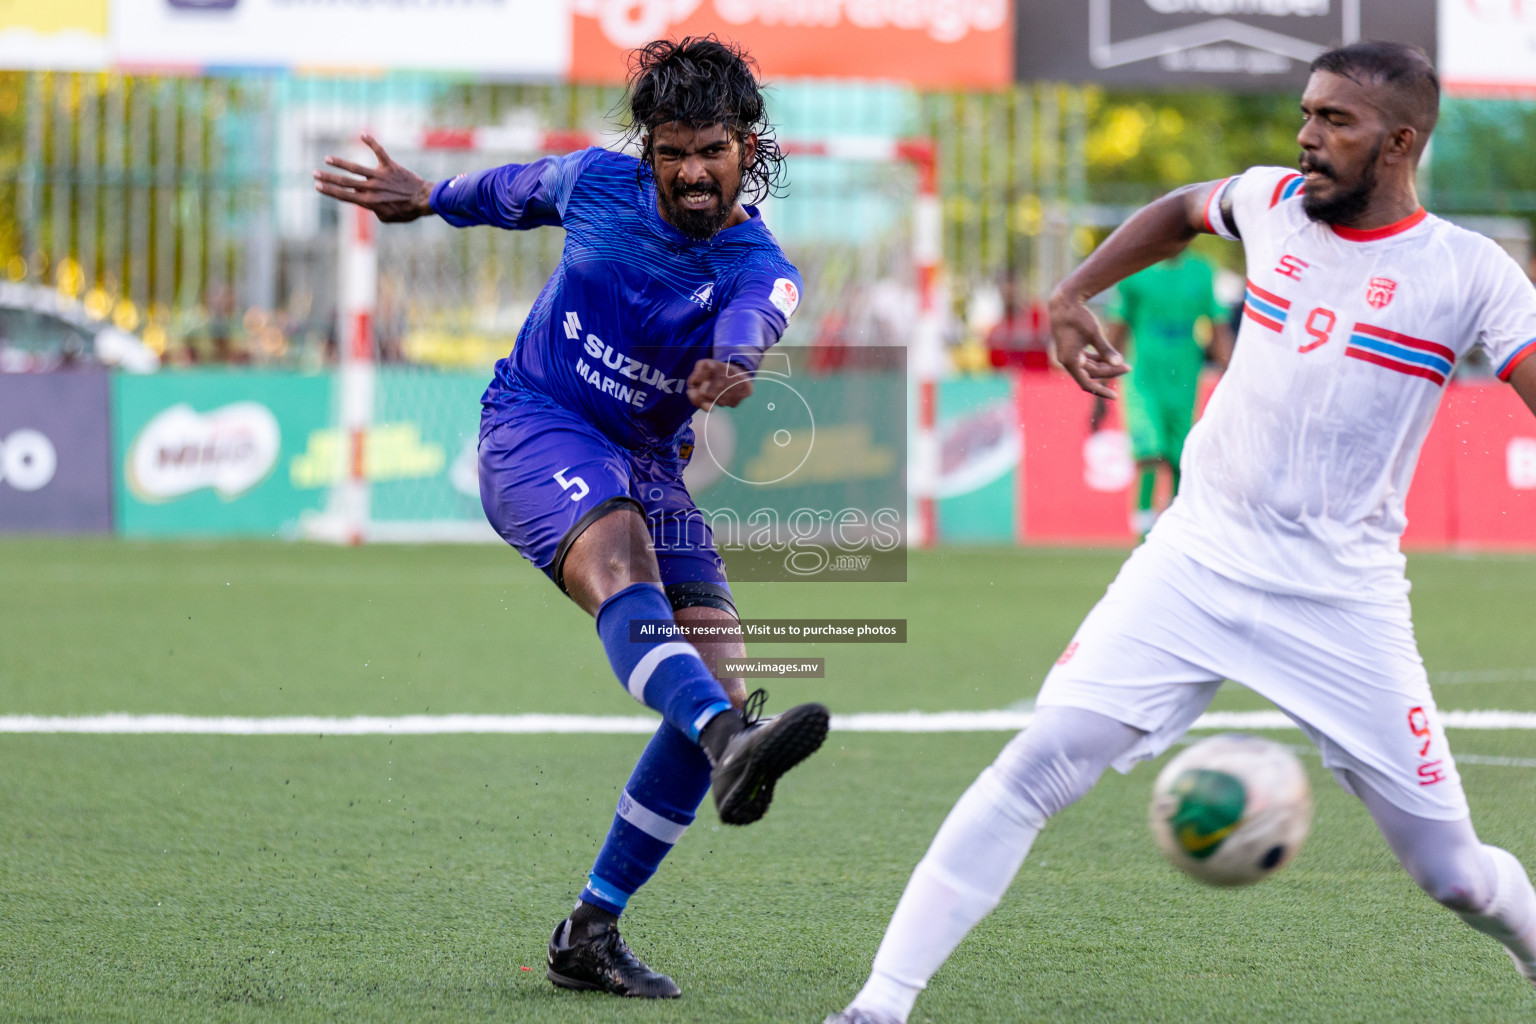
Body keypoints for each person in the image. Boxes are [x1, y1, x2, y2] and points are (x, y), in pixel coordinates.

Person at [826, 41, 1536, 1024]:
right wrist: (1074, 294)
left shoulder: (1469, 274)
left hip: (1343, 601)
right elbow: (1175, 214)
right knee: (1038, 762)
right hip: (1195, 560)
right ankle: (879, 1004)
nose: (1308, 136)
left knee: (1455, 874)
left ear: (1401, 140)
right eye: (1308, 113)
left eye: (1338, 121)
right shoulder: (1271, 200)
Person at [313, 36, 830, 1000]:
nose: (689, 172)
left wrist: (738, 364)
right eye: (670, 150)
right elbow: (511, 191)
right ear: (647, 149)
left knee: (715, 673)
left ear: (747, 148)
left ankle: (589, 931)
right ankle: (731, 745)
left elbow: (759, 316)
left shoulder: (760, 263)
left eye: (710, 149)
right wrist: (427, 196)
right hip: (537, 426)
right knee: (633, 576)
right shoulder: (596, 185)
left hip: (648, 462)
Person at [1102, 251, 1232, 535]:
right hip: (1143, 381)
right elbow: (1116, 332)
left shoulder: (1202, 272)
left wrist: (1235, 378)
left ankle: (1172, 535)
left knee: (1178, 459)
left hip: (1184, 383)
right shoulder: (1134, 271)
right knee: (1150, 452)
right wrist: (1099, 390)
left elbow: (1218, 328)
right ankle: (1143, 537)